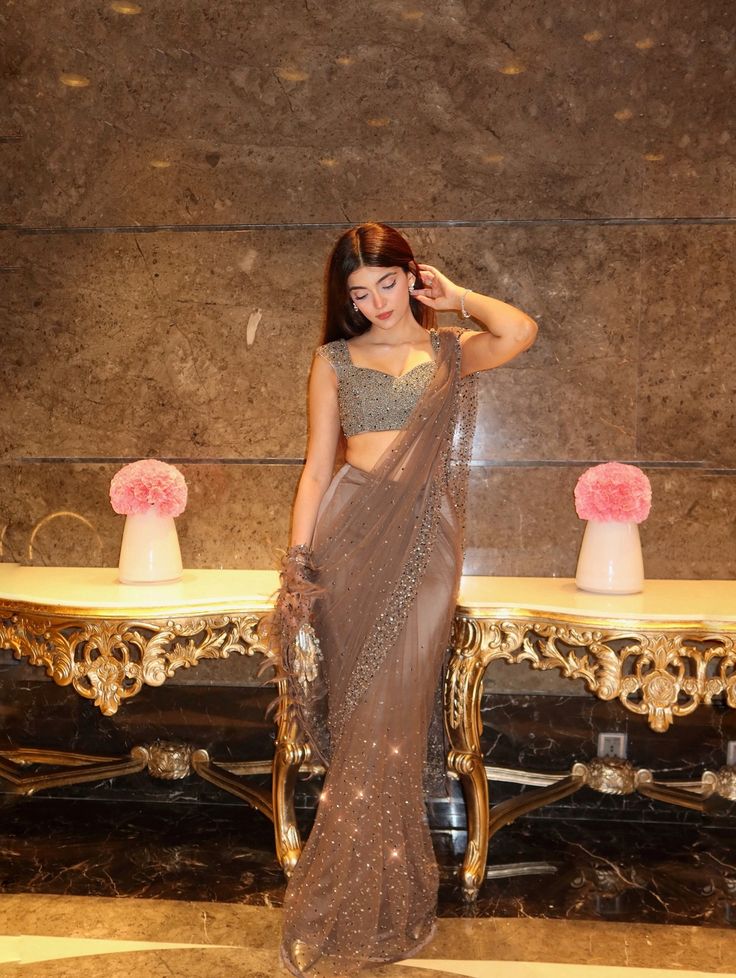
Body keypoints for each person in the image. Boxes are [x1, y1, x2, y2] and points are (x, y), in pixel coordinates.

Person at [269, 222, 538, 976]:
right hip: (348, 539)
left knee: (397, 713)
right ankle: (356, 893)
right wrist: (298, 567)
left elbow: (518, 331)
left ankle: (386, 894)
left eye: (387, 283)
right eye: (359, 292)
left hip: (426, 544)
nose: (377, 303)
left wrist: (456, 297)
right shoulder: (333, 359)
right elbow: (315, 470)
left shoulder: (451, 350)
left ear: (411, 274)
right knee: (362, 716)